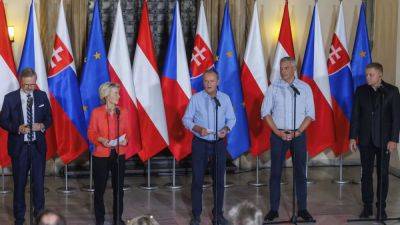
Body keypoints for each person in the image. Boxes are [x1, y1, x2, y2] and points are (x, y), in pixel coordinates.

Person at [261, 57, 315, 222]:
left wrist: (298, 131)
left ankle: (303, 209)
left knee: (300, 172)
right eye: (281, 68)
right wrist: (278, 132)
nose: (283, 71)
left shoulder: (304, 88)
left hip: (298, 135)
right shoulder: (273, 88)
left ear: (293, 69)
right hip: (278, 136)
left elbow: (310, 114)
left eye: (286, 68)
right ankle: (274, 209)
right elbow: (265, 112)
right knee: (275, 172)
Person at [183, 69, 236, 225]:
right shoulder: (196, 98)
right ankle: (196, 215)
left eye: (212, 81)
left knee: (219, 180)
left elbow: (231, 119)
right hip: (200, 143)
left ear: (217, 82)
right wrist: (198, 128)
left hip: (218, 144)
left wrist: (225, 130)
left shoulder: (224, 99)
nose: (208, 84)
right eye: (206, 81)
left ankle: (218, 215)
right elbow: (186, 119)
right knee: (197, 180)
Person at [0, 68, 52, 225]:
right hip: (19, 148)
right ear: (21, 81)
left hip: (37, 148)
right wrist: (17, 128)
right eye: (27, 85)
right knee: (20, 184)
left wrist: (42, 125)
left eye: (33, 84)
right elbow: (3, 120)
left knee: (38, 184)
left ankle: (39, 217)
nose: (30, 88)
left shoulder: (41, 96)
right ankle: (20, 219)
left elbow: (49, 118)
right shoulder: (10, 98)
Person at [349, 62, 400, 220]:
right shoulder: (360, 91)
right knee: (366, 175)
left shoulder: (391, 91)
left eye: (371, 75)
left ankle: (381, 208)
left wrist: (393, 140)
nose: (367, 77)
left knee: (382, 174)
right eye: (366, 74)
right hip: (365, 140)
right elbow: (355, 116)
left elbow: (396, 118)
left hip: (384, 140)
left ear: (380, 75)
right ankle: (367, 206)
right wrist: (352, 137)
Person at [88, 82, 132, 225]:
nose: (119, 96)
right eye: (115, 93)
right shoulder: (97, 112)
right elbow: (91, 132)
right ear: (106, 96)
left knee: (119, 189)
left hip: (119, 154)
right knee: (99, 189)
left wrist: (126, 140)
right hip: (101, 155)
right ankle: (99, 220)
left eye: (118, 93)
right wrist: (100, 139)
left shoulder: (123, 112)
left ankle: (117, 219)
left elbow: (128, 131)